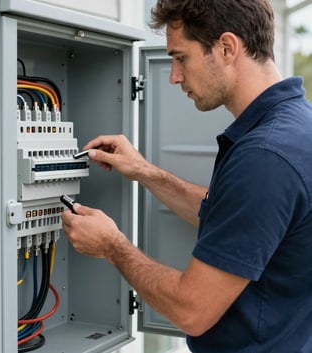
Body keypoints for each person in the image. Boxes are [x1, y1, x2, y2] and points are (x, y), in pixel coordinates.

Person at [62, 0, 312, 352]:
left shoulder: (265, 156)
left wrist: (113, 246)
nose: (174, 76)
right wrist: (145, 172)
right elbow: (239, 219)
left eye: (181, 58)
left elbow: (192, 309)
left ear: (227, 47)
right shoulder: (296, 126)